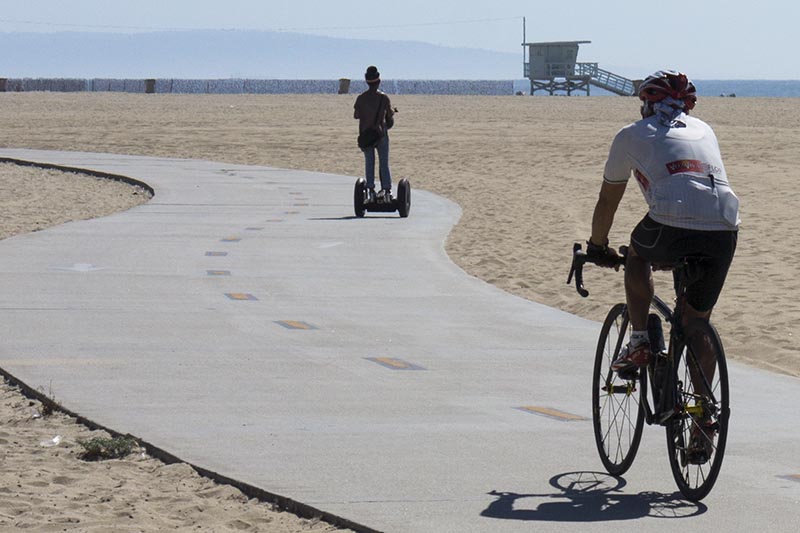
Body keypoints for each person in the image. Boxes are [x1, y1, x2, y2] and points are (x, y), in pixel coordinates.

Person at [586, 70, 740, 374]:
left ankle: (639, 341)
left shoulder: (630, 134)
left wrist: (597, 246)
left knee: (637, 253)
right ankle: (704, 405)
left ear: (646, 104)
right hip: (724, 225)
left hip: (671, 219)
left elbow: (607, 201)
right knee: (696, 322)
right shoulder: (705, 129)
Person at [354, 65, 396, 203]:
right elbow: (389, 120)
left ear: (367, 82)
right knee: (384, 163)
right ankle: (387, 191)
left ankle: (370, 190)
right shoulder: (383, 98)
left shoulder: (361, 98)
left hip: (366, 134)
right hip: (380, 134)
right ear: (379, 81)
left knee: (369, 162)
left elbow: (356, 115)